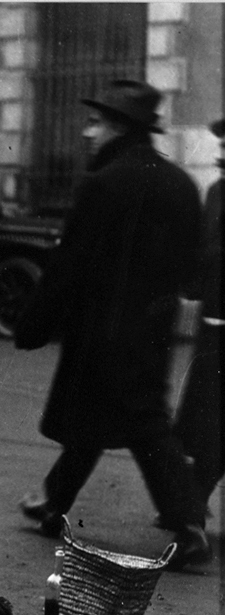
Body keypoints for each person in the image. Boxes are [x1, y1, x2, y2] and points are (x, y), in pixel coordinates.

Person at [14, 79, 210, 570]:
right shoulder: (182, 184)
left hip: (99, 329)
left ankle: (187, 524)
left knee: (138, 421)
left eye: (96, 122)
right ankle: (51, 501)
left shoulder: (103, 185)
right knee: (107, 414)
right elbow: (193, 265)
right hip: (151, 327)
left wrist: (33, 323)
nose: (88, 133)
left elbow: (69, 264)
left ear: (119, 127)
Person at [173, 116, 224, 520]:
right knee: (207, 421)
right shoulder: (216, 192)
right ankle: (195, 499)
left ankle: (194, 500)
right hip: (215, 324)